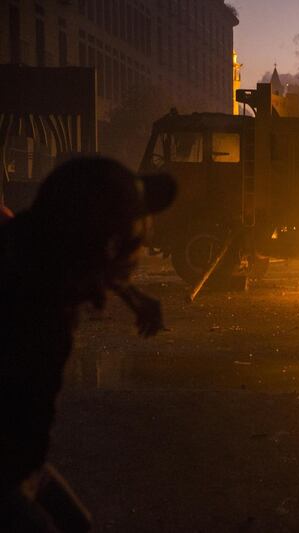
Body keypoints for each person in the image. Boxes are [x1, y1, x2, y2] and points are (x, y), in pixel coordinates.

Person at [0, 157, 176, 532]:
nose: (133, 258)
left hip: (23, 464)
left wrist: (133, 296)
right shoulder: (27, 313)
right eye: (128, 244)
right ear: (100, 249)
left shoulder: (32, 246)